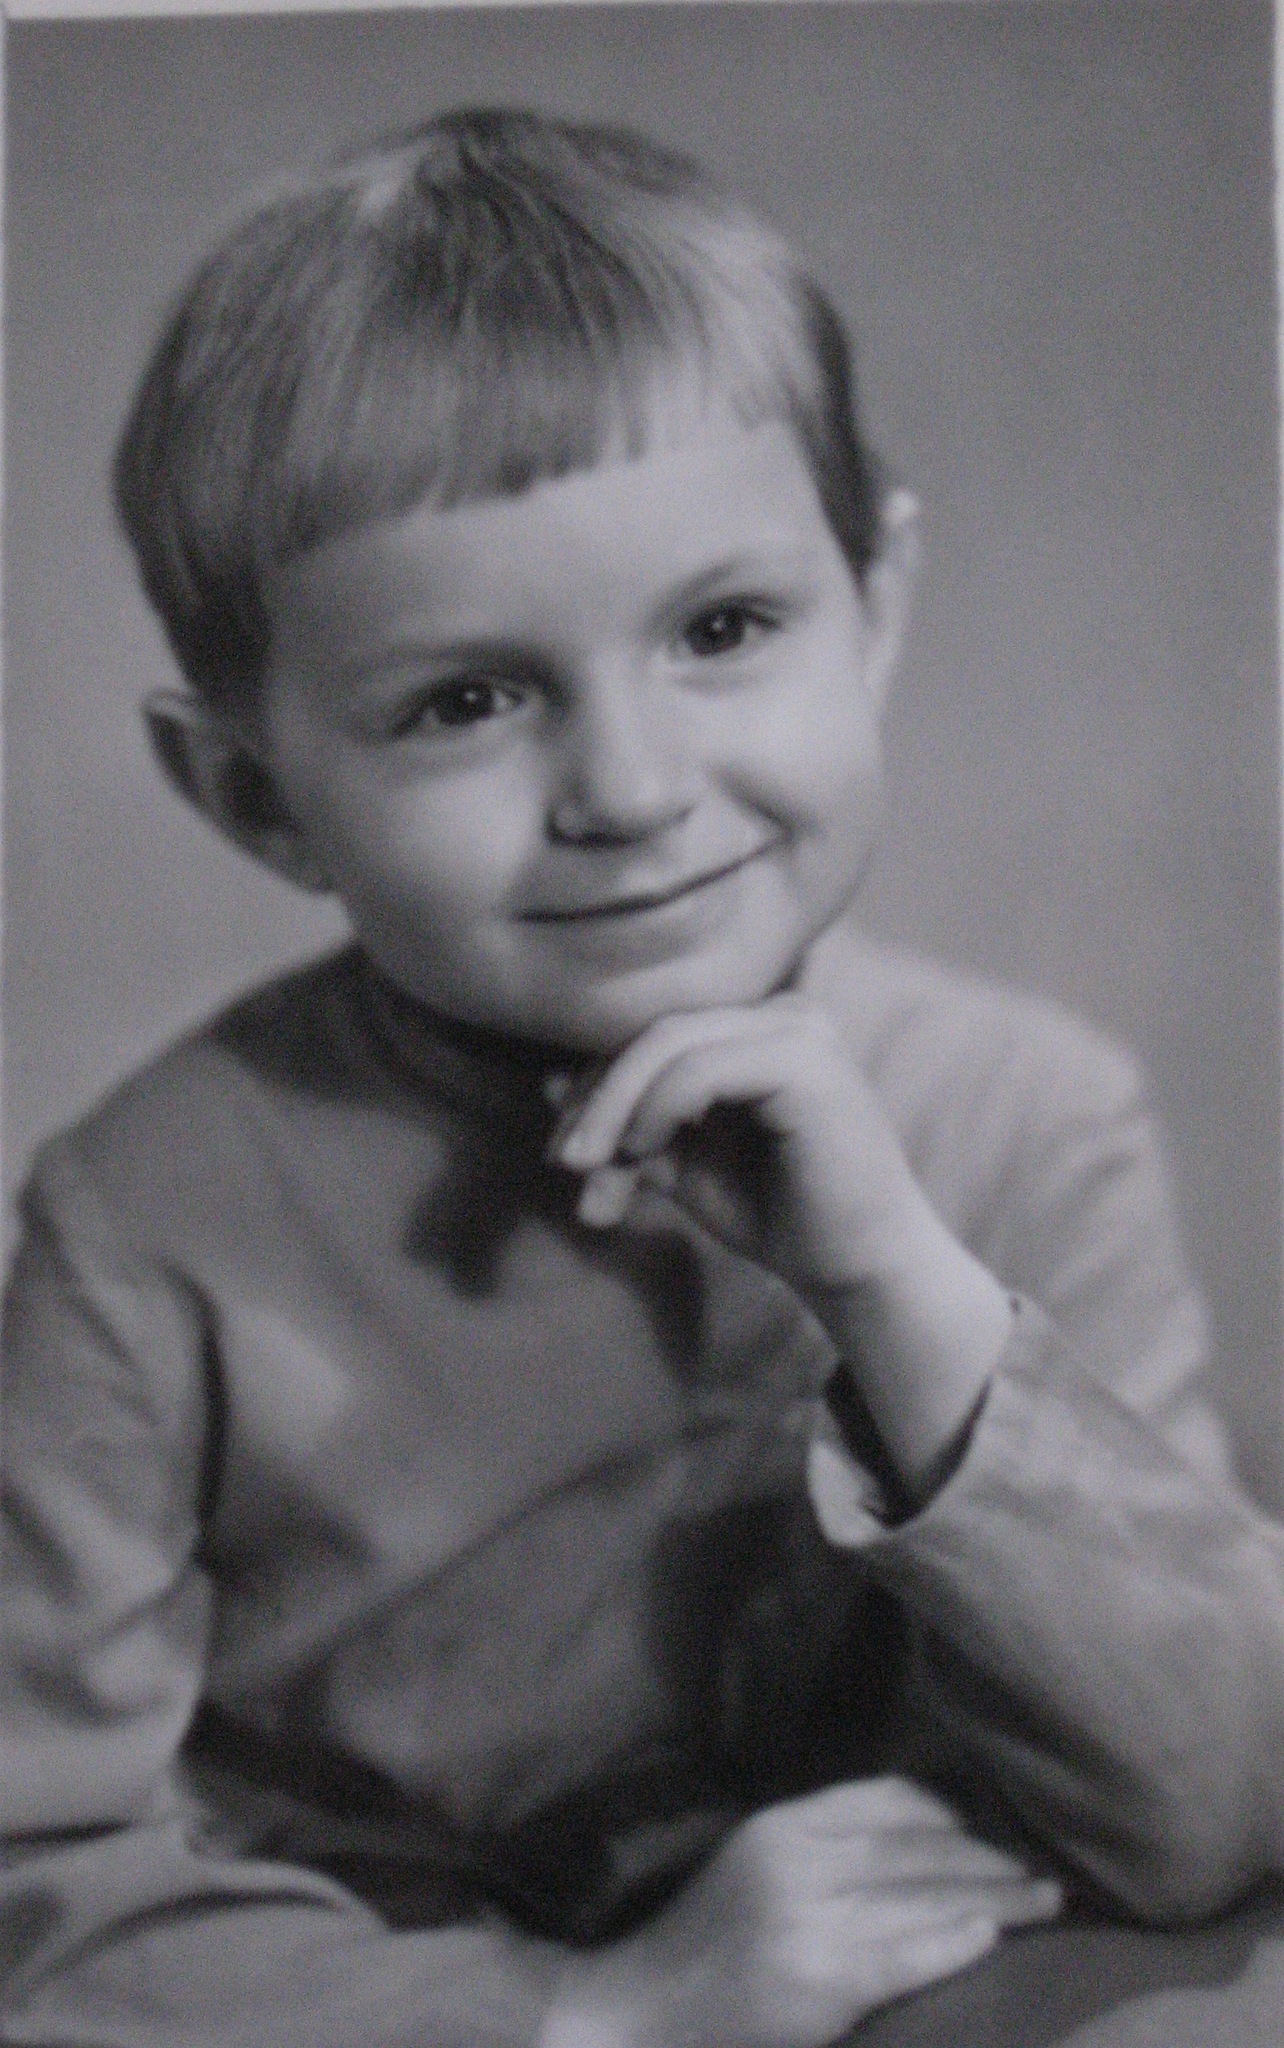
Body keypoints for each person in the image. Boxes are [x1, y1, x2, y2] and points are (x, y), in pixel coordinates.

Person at [3, 108, 1282, 2048]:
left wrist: (896, 1286)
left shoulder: (1027, 1112)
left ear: (877, 610)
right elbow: (42, 1913)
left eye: (724, 629)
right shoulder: (139, 1228)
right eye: (466, 700)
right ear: (255, 797)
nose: (631, 787)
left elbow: (1226, 1807)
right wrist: (604, 2011)